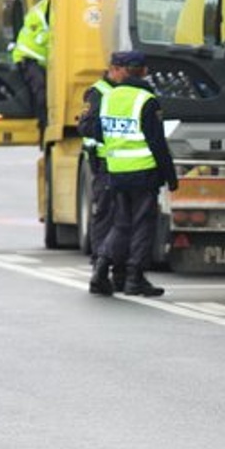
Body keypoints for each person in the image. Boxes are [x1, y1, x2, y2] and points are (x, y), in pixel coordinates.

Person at [88, 51, 178, 297]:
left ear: (125, 71)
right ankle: (134, 278)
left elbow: (97, 132)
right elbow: (157, 142)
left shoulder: (109, 97)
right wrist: (170, 176)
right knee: (142, 225)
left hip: (116, 171)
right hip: (143, 172)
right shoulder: (146, 100)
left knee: (121, 224)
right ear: (145, 72)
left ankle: (101, 267)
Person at [77, 53, 132, 289]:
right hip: (104, 165)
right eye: (126, 70)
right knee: (106, 217)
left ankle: (118, 270)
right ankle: (100, 266)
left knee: (123, 219)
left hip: (120, 164)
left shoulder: (122, 91)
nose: (129, 75)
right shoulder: (99, 92)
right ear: (114, 69)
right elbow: (86, 126)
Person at [12, 0, 51, 133]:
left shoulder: (43, 10)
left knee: (44, 93)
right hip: (28, 59)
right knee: (41, 94)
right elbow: (40, 40)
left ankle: (44, 124)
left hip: (34, 61)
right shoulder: (38, 15)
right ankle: (44, 125)